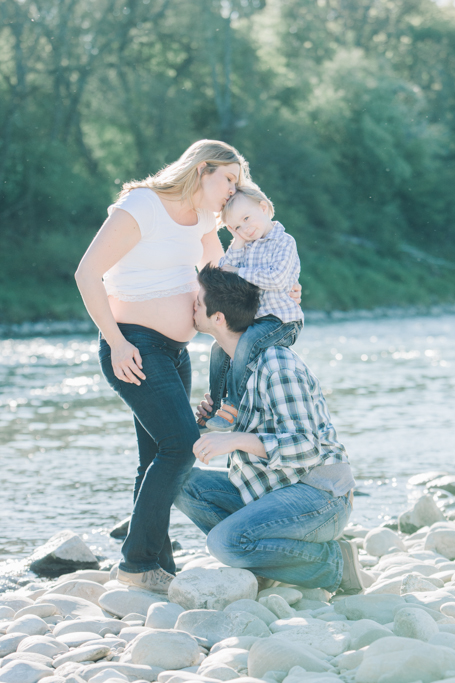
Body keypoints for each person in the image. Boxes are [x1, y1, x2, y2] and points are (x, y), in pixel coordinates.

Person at [75, 140, 301, 595]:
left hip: (174, 354)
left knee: (154, 459)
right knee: (180, 447)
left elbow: (224, 279)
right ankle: (136, 564)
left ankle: (159, 566)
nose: (234, 189)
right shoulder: (142, 205)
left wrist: (284, 293)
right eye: (230, 179)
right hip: (135, 346)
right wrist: (116, 343)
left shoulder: (203, 220)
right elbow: (86, 273)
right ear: (203, 169)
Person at [176, 264, 367, 594]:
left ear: (218, 318)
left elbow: (307, 447)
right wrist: (209, 425)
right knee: (180, 483)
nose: (192, 304)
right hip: (268, 489)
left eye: (198, 300)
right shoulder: (227, 362)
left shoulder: (276, 362)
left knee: (224, 544)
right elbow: (242, 426)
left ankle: (333, 563)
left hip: (320, 496)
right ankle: (269, 560)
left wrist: (234, 439)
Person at [199, 185, 304, 433]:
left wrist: (240, 272)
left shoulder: (284, 242)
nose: (245, 228)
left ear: (264, 208)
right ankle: (213, 409)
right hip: (255, 322)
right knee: (218, 349)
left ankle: (234, 405)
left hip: (282, 322)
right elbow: (225, 272)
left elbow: (277, 279)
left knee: (246, 342)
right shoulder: (246, 245)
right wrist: (236, 242)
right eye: (236, 227)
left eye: (247, 219)